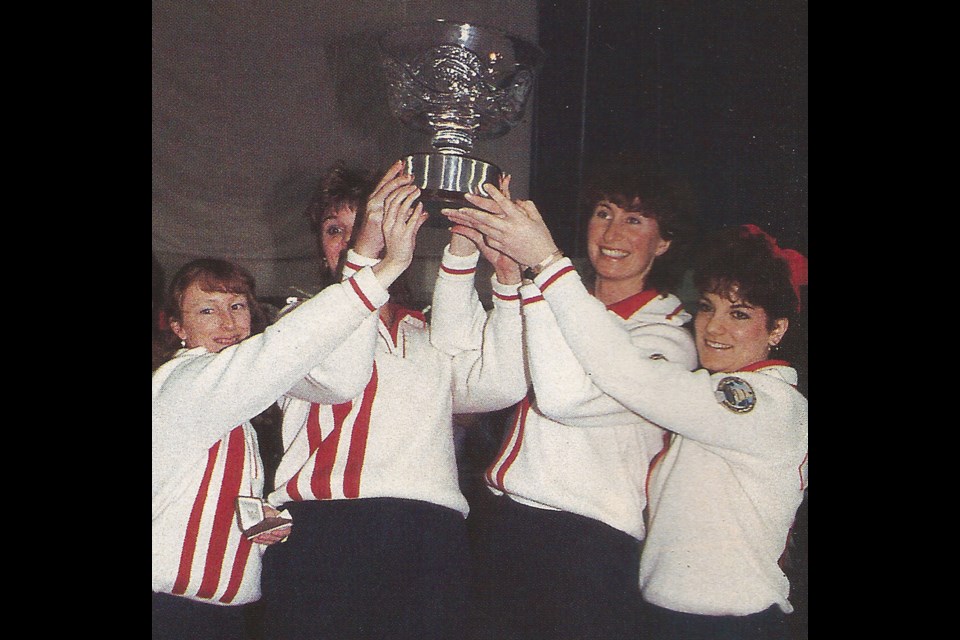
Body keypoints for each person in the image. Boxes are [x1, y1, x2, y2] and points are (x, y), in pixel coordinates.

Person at [448, 193, 808, 639]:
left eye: (739, 314)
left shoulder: (763, 403)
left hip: (731, 624)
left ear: (777, 329)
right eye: (709, 307)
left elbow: (629, 376)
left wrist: (546, 262)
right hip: (663, 617)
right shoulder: (712, 396)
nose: (715, 328)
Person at [259, 160, 525, 640]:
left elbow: (497, 386)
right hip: (330, 527)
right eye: (336, 229)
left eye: (368, 222)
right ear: (321, 248)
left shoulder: (423, 329)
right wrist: (367, 261)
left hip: (429, 532)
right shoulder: (295, 320)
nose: (351, 240)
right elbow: (339, 379)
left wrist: (494, 270)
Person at [438, 158, 699, 640]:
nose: (612, 231)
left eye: (634, 219)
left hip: (586, 546)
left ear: (664, 242)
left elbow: (566, 400)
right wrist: (465, 255)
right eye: (604, 212)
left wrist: (542, 266)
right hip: (502, 524)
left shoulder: (668, 338)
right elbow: (457, 374)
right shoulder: (558, 301)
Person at [152, 195, 425, 639]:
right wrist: (379, 269)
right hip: (172, 613)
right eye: (207, 309)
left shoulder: (235, 416)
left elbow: (339, 381)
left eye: (237, 306)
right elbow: (280, 349)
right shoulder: (185, 381)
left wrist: (264, 520)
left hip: (222, 617)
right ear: (178, 329)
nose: (227, 320)